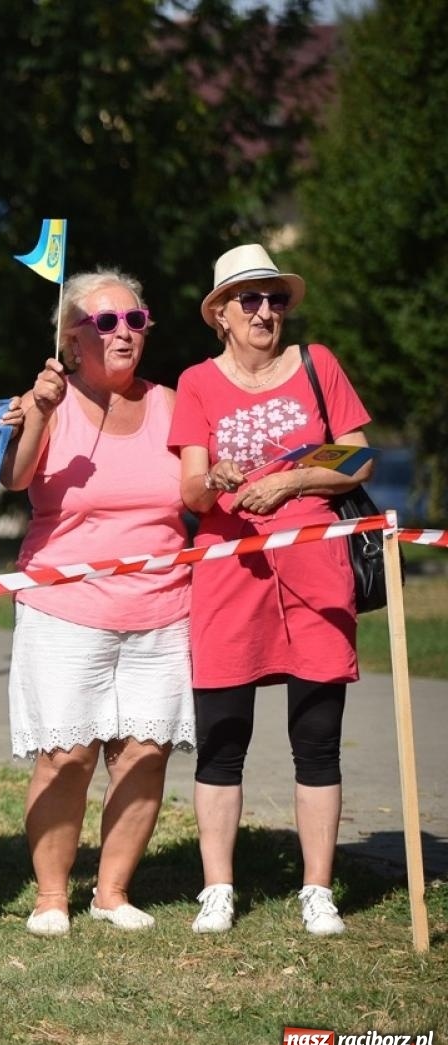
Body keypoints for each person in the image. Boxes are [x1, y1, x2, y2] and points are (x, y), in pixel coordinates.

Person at [169, 243, 374, 937]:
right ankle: (218, 888)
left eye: (275, 299)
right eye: (250, 300)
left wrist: (292, 480)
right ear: (220, 314)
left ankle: (318, 889)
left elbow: (358, 453)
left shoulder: (317, 365)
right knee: (223, 736)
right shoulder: (197, 381)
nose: (266, 311)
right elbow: (190, 488)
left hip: (316, 566)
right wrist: (217, 480)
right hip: (230, 569)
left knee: (317, 734)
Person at [2, 269, 193, 937]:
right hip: (65, 606)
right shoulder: (46, 403)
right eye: (106, 322)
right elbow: (15, 479)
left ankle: (111, 893)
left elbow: (197, 494)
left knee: (146, 753)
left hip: (164, 608)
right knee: (69, 755)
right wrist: (41, 410)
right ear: (71, 339)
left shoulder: (173, 404)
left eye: (136, 321)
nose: (124, 333)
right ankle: (52, 896)